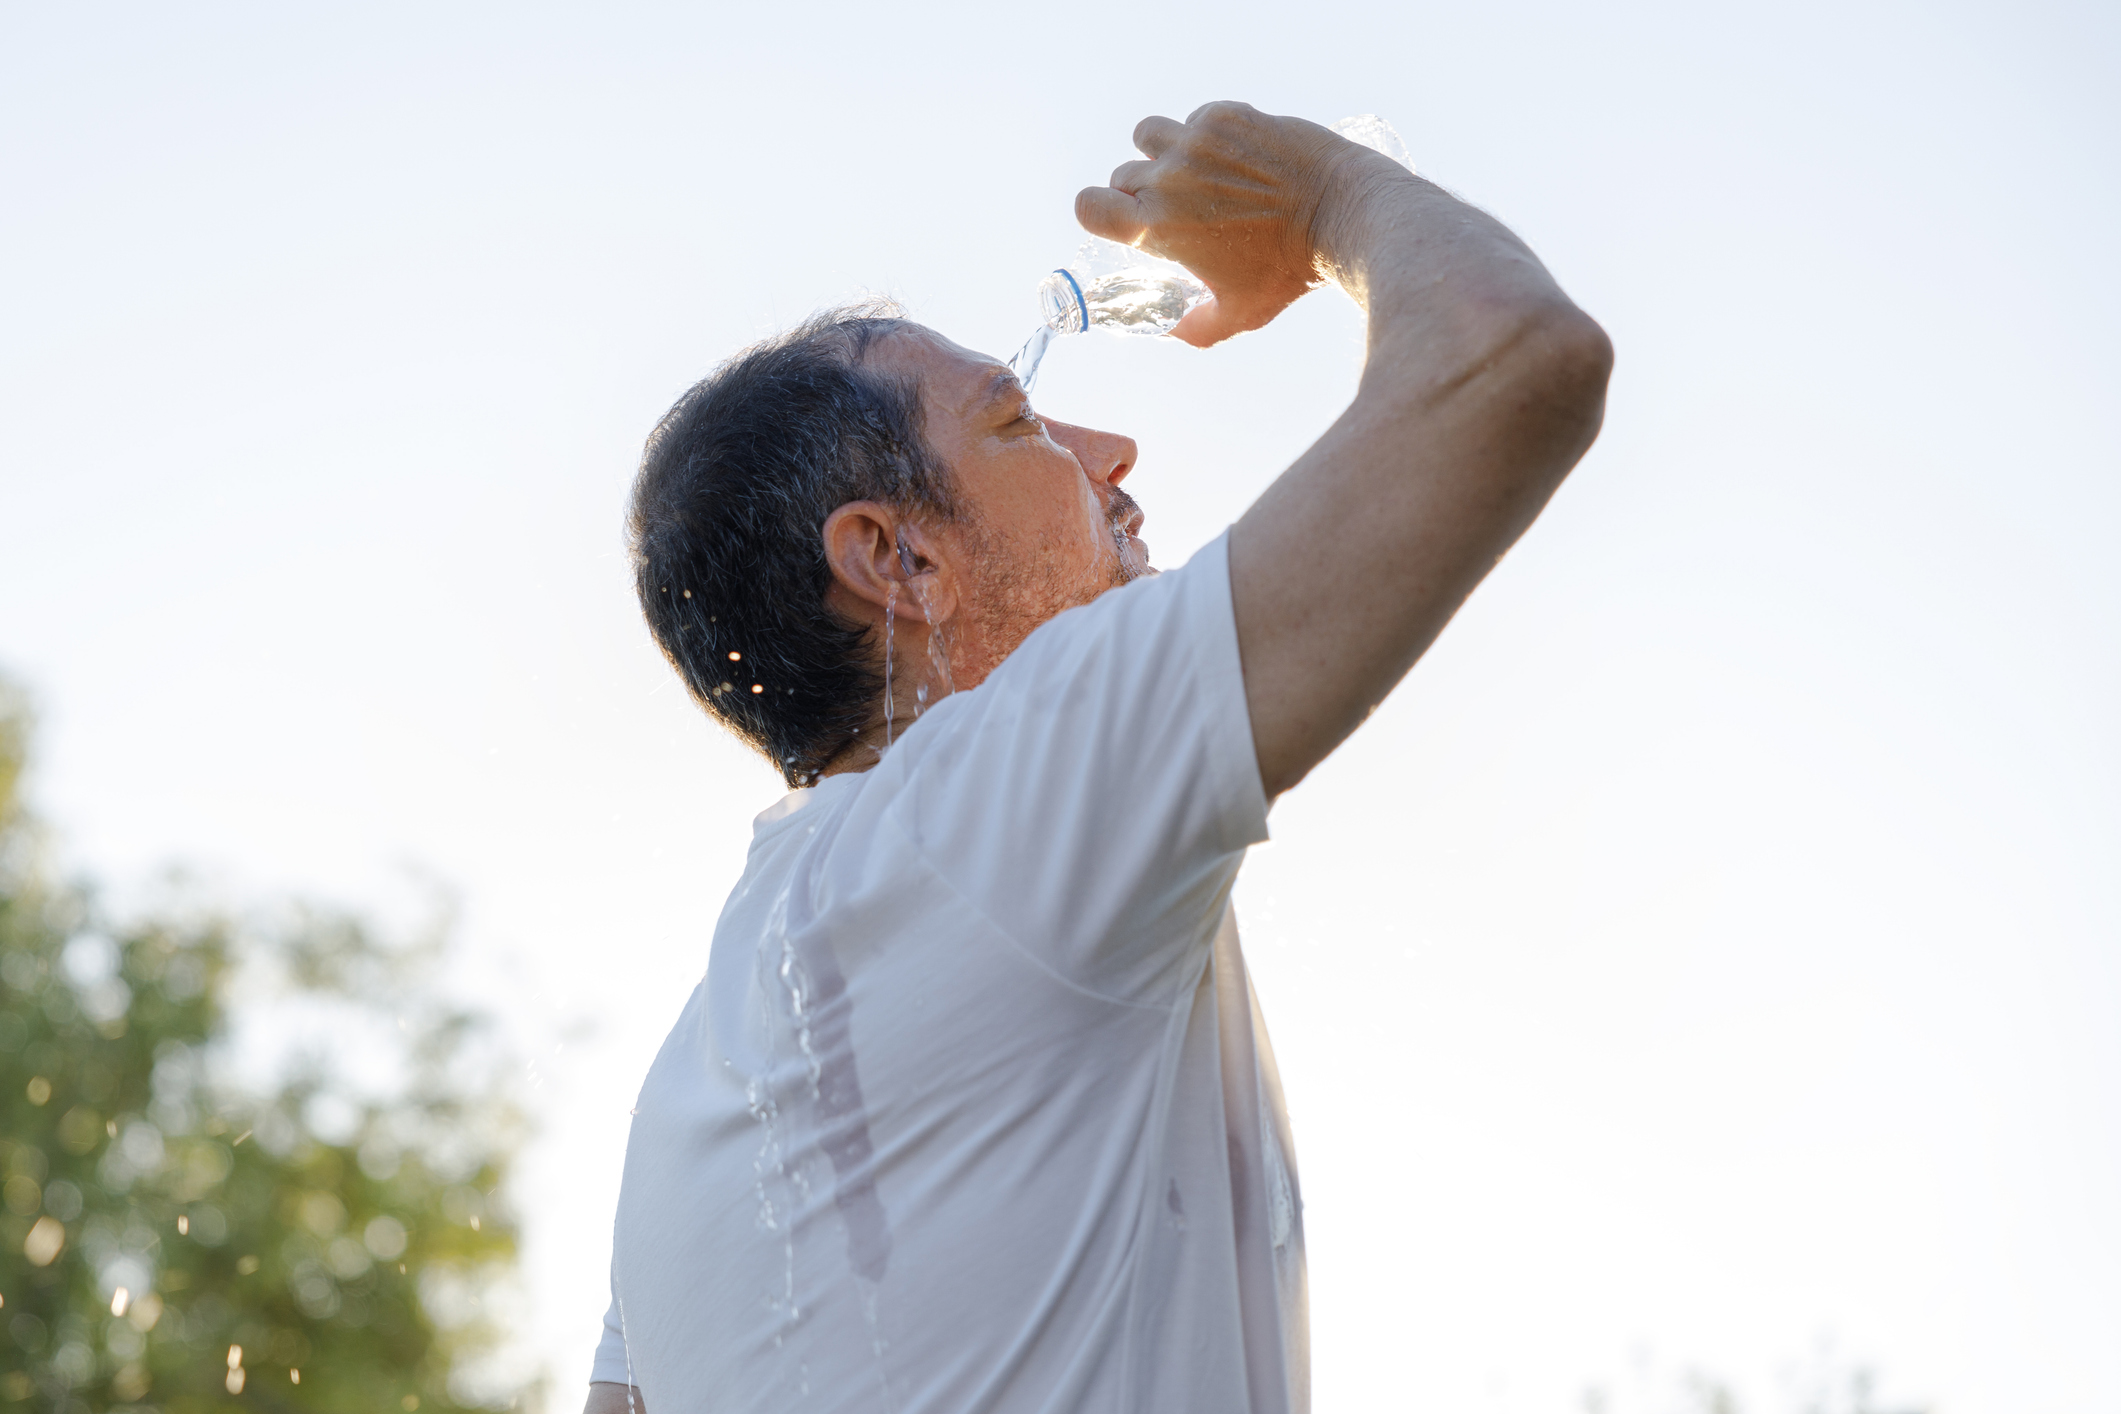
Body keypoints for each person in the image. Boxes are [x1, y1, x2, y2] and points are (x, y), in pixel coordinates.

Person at [584, 101, 1611, 1414]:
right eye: (1019, 425)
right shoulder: (998, 798)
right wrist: (1325, 196)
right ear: (896, 558)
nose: (1112, 454)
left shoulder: (706, 1063)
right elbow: (1511, 357)